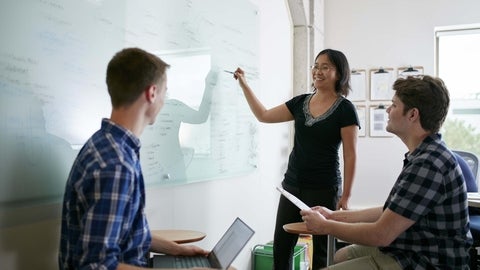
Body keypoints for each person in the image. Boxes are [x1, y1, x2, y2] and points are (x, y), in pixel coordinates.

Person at [58, 47, 219, 270]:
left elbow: (129, 232)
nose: (164, 100)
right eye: (165, 92)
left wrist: (178, 250)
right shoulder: (116, 164)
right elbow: (95, 266)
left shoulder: (109, 144)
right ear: (152, 93)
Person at [300, 75, 472, 269]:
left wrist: (325, 226)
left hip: (427, 261)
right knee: (341, 255)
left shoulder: (428, 164)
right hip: (410, 247)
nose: (388, 110)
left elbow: (380, 234)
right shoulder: (423, 154)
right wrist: (333, 216)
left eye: (394, 105)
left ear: (413, 114)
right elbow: (390, 212)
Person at [232, 48, 359, 269]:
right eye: (316, 65)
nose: (318, 71)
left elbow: (350, 154)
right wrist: (244, 84)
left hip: (324, 189)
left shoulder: (346, 109)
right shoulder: (300, 102)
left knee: (322, 254)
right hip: (291, 187)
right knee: (282, 250)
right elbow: (263, 115)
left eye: (325, 66)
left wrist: (346, 195)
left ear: (339, 73)